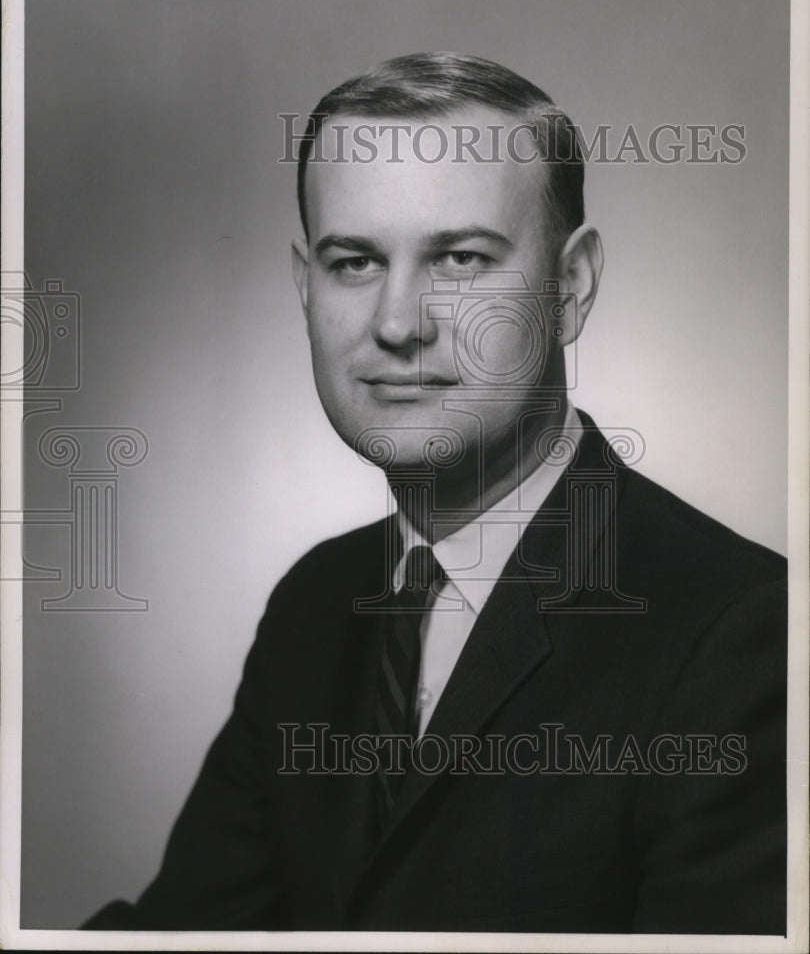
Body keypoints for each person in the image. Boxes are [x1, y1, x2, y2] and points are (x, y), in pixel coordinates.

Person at [84, 52, 786, 935]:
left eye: (458, 258)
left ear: (571, 288)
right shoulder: (315, 605)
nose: (396, 321)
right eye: (353, 262)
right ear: (304, 287)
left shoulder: (747, 635)